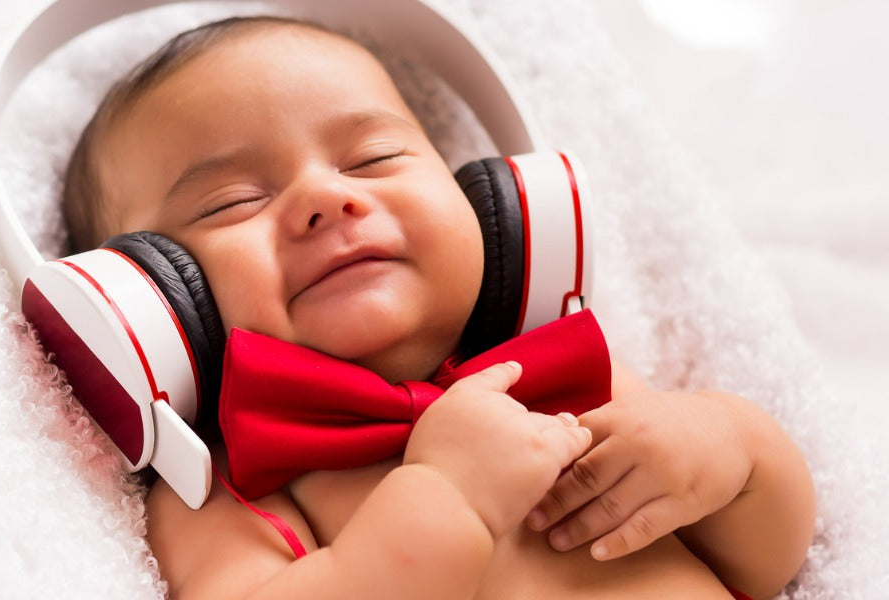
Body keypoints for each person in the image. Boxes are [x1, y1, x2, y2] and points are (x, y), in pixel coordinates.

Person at [61, 16, 815, 599]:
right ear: (155, 304)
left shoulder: (563, 376)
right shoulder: (226, 488)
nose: (328, 198)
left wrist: (730, 452)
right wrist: (446, 496)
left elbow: (768, 560)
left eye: (373, 158)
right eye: (234, 201)